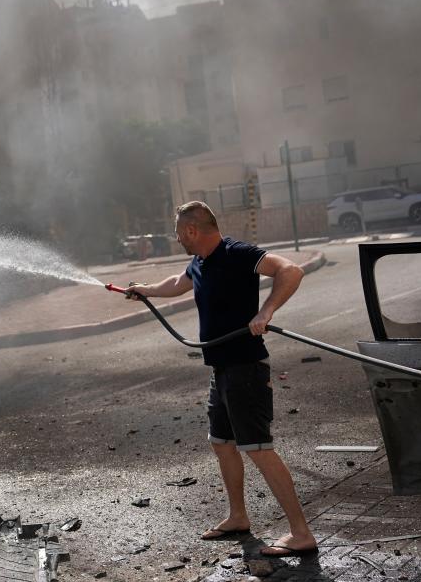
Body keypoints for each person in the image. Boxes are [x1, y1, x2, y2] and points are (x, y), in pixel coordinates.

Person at [127, 201, 317, 557]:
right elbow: (177, 283)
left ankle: (301, 533)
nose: (177, 240)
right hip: (222, 370)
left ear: (191, 231)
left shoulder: (238, 253)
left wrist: (266, 310)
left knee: (259, 450)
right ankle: (238, 517)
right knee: (222, 443)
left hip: (247, 367)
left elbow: (290, 270)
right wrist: (146, 289)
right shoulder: (199, 262)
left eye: (178, 234)